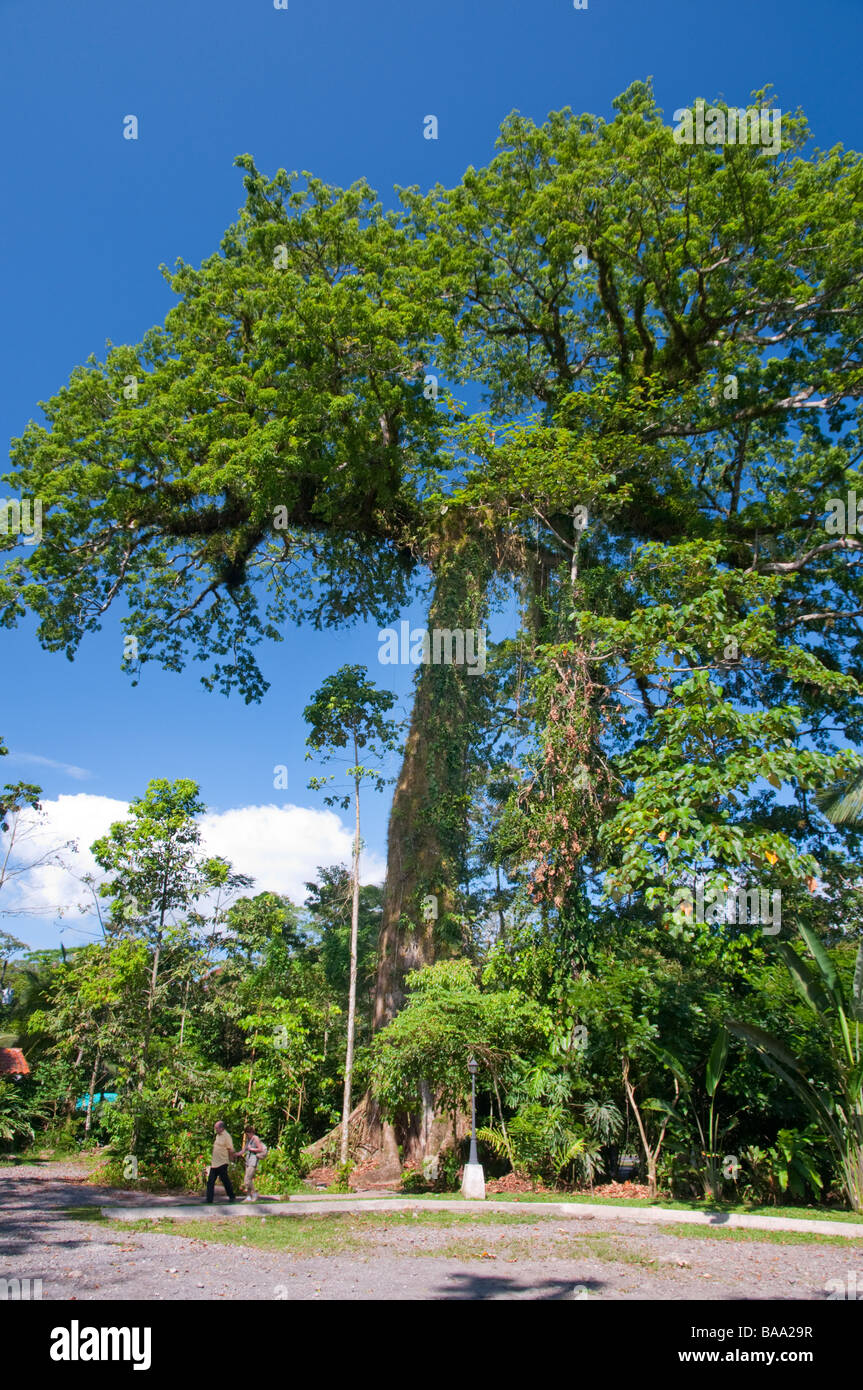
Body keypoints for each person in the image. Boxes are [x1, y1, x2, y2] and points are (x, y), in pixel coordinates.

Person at [205, 1120, 239, 1203]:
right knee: (210, 1182)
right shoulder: (218, 1136)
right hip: (215, 1163)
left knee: (225, 1180)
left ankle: (232, 1196)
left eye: (216, 1128)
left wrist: (232, 1159)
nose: (215, 1129)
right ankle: (209, 1199)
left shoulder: (227, 1136)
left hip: (222, 1162)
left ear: (221, 1128)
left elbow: (230, 1149)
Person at [241, 1124, 266, 1202]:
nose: (246, 1135)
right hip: (248, 1160)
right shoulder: (249, 1140)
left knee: (247, 1180)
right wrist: (235, 1154)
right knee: (248, 1179)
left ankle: (255, 1193)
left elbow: (260, 1148)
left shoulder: (255, 1138)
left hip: (253, 1161)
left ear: (250, 1132)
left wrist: (251, 1149)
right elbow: (244, 1149)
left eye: (247, 1134)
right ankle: (248, 1196)